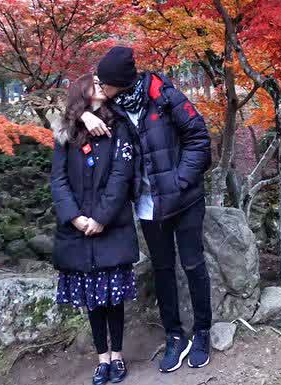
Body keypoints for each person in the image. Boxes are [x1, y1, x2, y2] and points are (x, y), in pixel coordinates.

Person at [81, 46, 213, 372]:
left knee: (194, 264)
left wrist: (180, 180)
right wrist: (82, 114)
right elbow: (65, 109)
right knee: (163, 269)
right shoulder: (111, 109)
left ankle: (202, 332)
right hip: (147, 206)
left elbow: (199, 138)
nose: (100, 87)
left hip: (185, 200)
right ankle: (174, 335)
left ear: (122, 81)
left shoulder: (164, 96)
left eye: (105, 82)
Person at [51, 74, 139, 385]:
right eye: (95, 82)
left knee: (113, 297)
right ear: (83, 90)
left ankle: (118, 356)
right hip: (78, 229)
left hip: (111, 225)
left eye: (104, 83)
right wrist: (75, 218)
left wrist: (101, 217)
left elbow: (121, 176)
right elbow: (58, 179)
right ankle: (102, 359)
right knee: (93, 298)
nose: (100, 85)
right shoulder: (67, 129)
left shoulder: (120, 126)